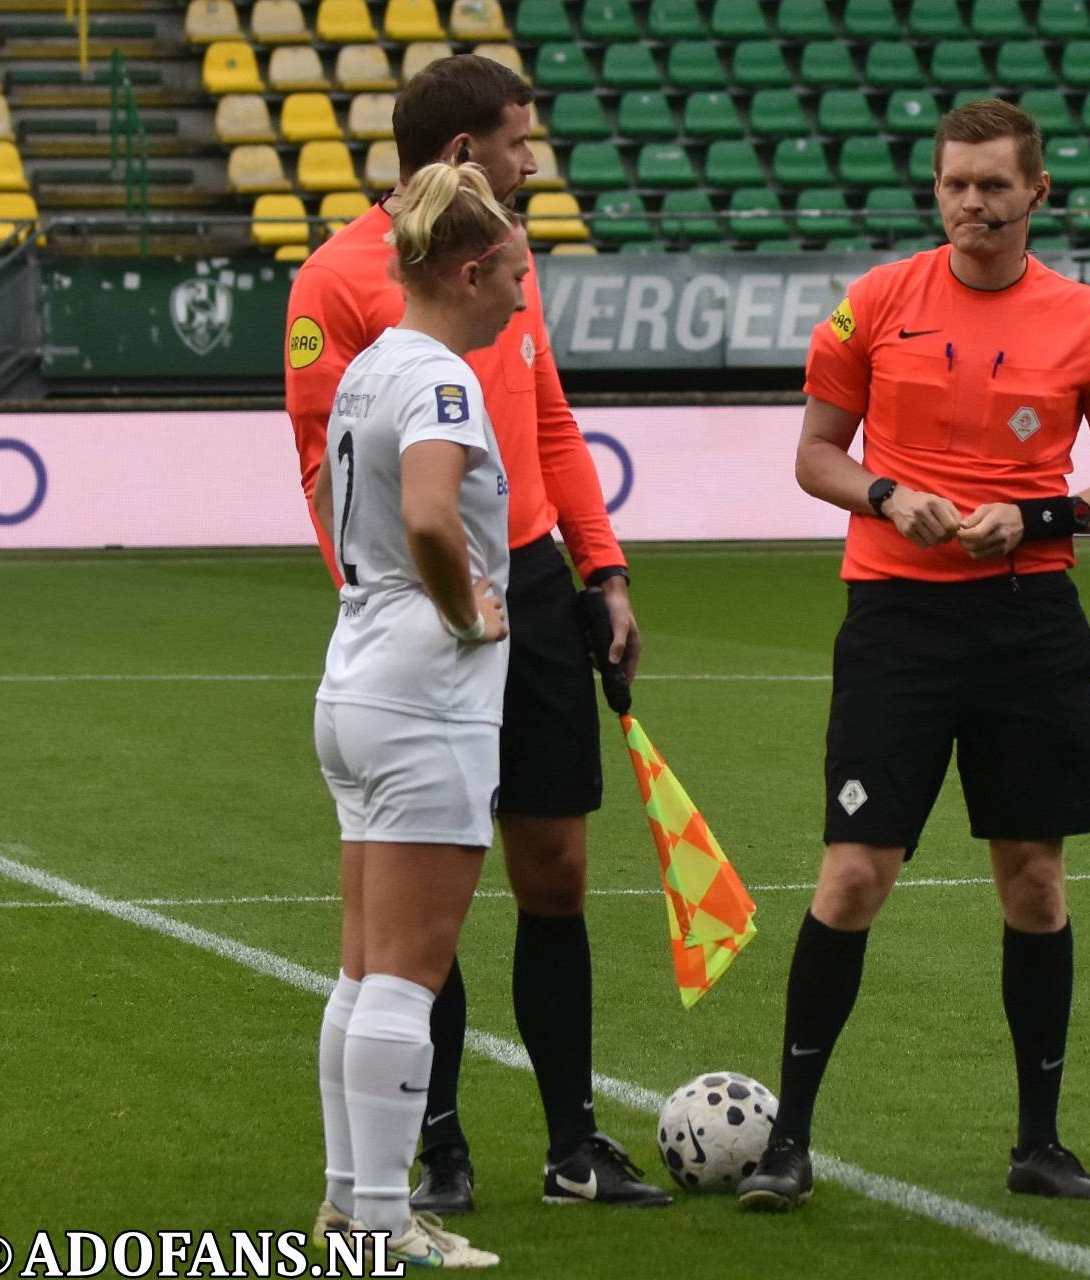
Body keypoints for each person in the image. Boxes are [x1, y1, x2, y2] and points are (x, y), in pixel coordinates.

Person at [734, 99, 1090, 1212]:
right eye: (955, 184)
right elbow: (816, 455)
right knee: (854, 873)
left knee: (1035, 879)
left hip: (1029, 621)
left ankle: (1039, 1143)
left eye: (993, 185)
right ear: (936, 188)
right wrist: (885, 493)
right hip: (898, 621)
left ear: (1037, 194)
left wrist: (1038, 516)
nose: (971, 203)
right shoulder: (877, 301)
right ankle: (788, 1142)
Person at [285, 55, 670, 1214]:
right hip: (437, 609)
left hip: (532, 585)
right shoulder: (341, 281)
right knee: (421, 899)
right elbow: (327, 473)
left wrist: (601, 567)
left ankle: (572, 1143)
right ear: (462, 153)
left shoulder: (503, 257)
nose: (532, 161)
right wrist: (402, 598)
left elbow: (551, 422)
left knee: (555, 868)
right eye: (517, 140)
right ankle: (437, 1149)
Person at [307, 160, 520, 1269]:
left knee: (362, 967)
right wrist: (465, 610)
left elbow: (328, 492)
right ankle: (385, 1226)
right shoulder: (442, 379)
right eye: (516, 273)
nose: (524, 295)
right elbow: (435, 516)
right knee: (406, 973)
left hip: (355, 673)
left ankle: (352, 1204)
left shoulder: (370, 364)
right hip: (424, 693)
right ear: (471, 271)